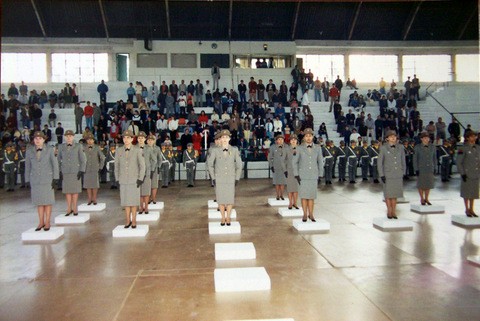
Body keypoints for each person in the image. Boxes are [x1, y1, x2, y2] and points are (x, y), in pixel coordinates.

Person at [25, 131, 60, 231]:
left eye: (40, 138)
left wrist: (55, 178)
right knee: (39, 202)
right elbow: (27, 166)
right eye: (36, 138)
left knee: (47, 202)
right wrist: (27, 179)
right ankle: (41, 222)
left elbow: (55, 165)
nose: (37, 140)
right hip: (35, 180)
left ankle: (48, 222)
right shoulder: (29, 150)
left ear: (44, 140)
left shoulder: (49, 150)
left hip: (47, 180)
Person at [207, 129, 242, 226]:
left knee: (230, 199)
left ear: (229, 139)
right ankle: (222, 217)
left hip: (231, 178)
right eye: (223, 137)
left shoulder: (234, 150)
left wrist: (237, 178)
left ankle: (228, 217)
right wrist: (213, 177)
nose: (225, 139)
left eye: (227, 137)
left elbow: (239, 165)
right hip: (220, 179)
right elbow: (210, 164)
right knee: (221, 199)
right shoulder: (215, 151)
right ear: (220, 139)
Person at [115, 130, 146, 228]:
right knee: (126, 202)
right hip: (123, 180)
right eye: (124, 138)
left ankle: (134, 221)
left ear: (132, 139)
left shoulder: (137, 150)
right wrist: (117, 178)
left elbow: (142, 166)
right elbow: (116, 166)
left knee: (133, 202)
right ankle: (127, 220)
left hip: (134, 180)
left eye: (128, 138)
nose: (126, 140)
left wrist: (140, 178)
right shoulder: (119, 150)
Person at [293, 128, 324, 222]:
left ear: (313, 137)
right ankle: (305, 214)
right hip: (302, 176)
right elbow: (295, 162)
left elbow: (320, 162)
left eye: (310, 136)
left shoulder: (318, 148)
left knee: (311, 196)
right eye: (306, 136)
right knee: (304, 196)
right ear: (304, 137)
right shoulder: (299, 148)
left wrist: (320, 175)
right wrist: (296, 174)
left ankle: (311, 214)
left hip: (313, 176)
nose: (308, 138)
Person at [58, 130, 86, 216]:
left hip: (75, 171)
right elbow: (58, 160)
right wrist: (60, 170)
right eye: (67, 136)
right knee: (67, 190)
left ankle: (75, 207)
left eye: (70, 136)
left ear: (73, 137)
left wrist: (81, 170)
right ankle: (69, 208)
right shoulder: (61, 147)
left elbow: (83, 160)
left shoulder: (78, 146)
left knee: (75, 190)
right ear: (64, 137)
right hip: (65, 172)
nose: (69, 138)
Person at [378, 130, 406, 219]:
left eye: (394, 136)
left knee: (395, 194)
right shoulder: (383, 148)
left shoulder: (401, 147)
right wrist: (381, 174)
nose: (393, 138)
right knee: (388, 194)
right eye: (391, 136)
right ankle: (389, 210)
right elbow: (380, 163)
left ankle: (394, 211)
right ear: (387, 139)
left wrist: (403, 172)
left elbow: (403, 161)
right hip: (388, 174)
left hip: (397, 174)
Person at [457, 131, 479, 217]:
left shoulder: (478, 147)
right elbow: (459, 162)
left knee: (473, 193)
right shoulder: (463, 148)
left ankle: (472, 209)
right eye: (472, 137)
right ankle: (467, 209)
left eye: (475, 137)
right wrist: (462, 173)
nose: (474, 138)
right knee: (466, 193)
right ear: (467, 138)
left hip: (475, 174)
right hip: (467, 174)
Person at [413, 131, 437, 205]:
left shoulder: (432, 147)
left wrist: (435, 167)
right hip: (421, 168)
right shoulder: (417, 147)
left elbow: (434, 158)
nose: (427, 139)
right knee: (421, 184)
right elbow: (415, 159)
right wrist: (416, 169)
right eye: (425, 138)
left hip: (429, 168)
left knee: (428, 184)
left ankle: (426, 198)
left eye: (428, 138)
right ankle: (422, 198)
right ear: (421, 139)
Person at [137, 132, 157, 215]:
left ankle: (146, 208)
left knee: (146, 191)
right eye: (139, 138)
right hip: (137, 173)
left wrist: (152, 170)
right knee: (139, 192)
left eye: (142, 138)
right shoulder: (134, 148)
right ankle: (141, 207)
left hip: (147, 173)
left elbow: (154, 160)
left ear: (145, 139)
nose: (140, 139)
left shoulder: (149, 148)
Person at [83, 133, 105, 205]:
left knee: (95, 184)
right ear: (86, 141)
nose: (89, 141)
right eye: (88, 140)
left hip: (95, 168)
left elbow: (102, 158)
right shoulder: (83, 148)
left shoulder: (97, 148)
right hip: (86, 168)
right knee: (88, 184)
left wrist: (100, 167)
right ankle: (89, 198)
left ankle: (94, 198)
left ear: (93, 141)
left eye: (91, 140)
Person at [269, 134, 289, 200]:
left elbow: (288, 158)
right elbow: (269, 157)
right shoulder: (272, 147)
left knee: (283, 182)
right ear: (276, 140)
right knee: (277, 182)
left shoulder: (287, 147)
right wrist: (271, 166)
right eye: (279, 139)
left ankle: (282, 195)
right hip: (276, 167)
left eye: (282, 139)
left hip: (284, 168)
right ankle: (277, 195)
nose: (280, 141)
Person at [286, 134, 300, 209]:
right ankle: (290, 203)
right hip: (290, 170)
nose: (293, 141)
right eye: (292, 140)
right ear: (290, 141)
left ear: (297, 141)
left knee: (296, 188)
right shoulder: (287, 149)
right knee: (290, 187)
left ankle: (295, 203)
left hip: (298, 171)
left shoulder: (300, 149)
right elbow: (284, 160)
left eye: (295, 140)